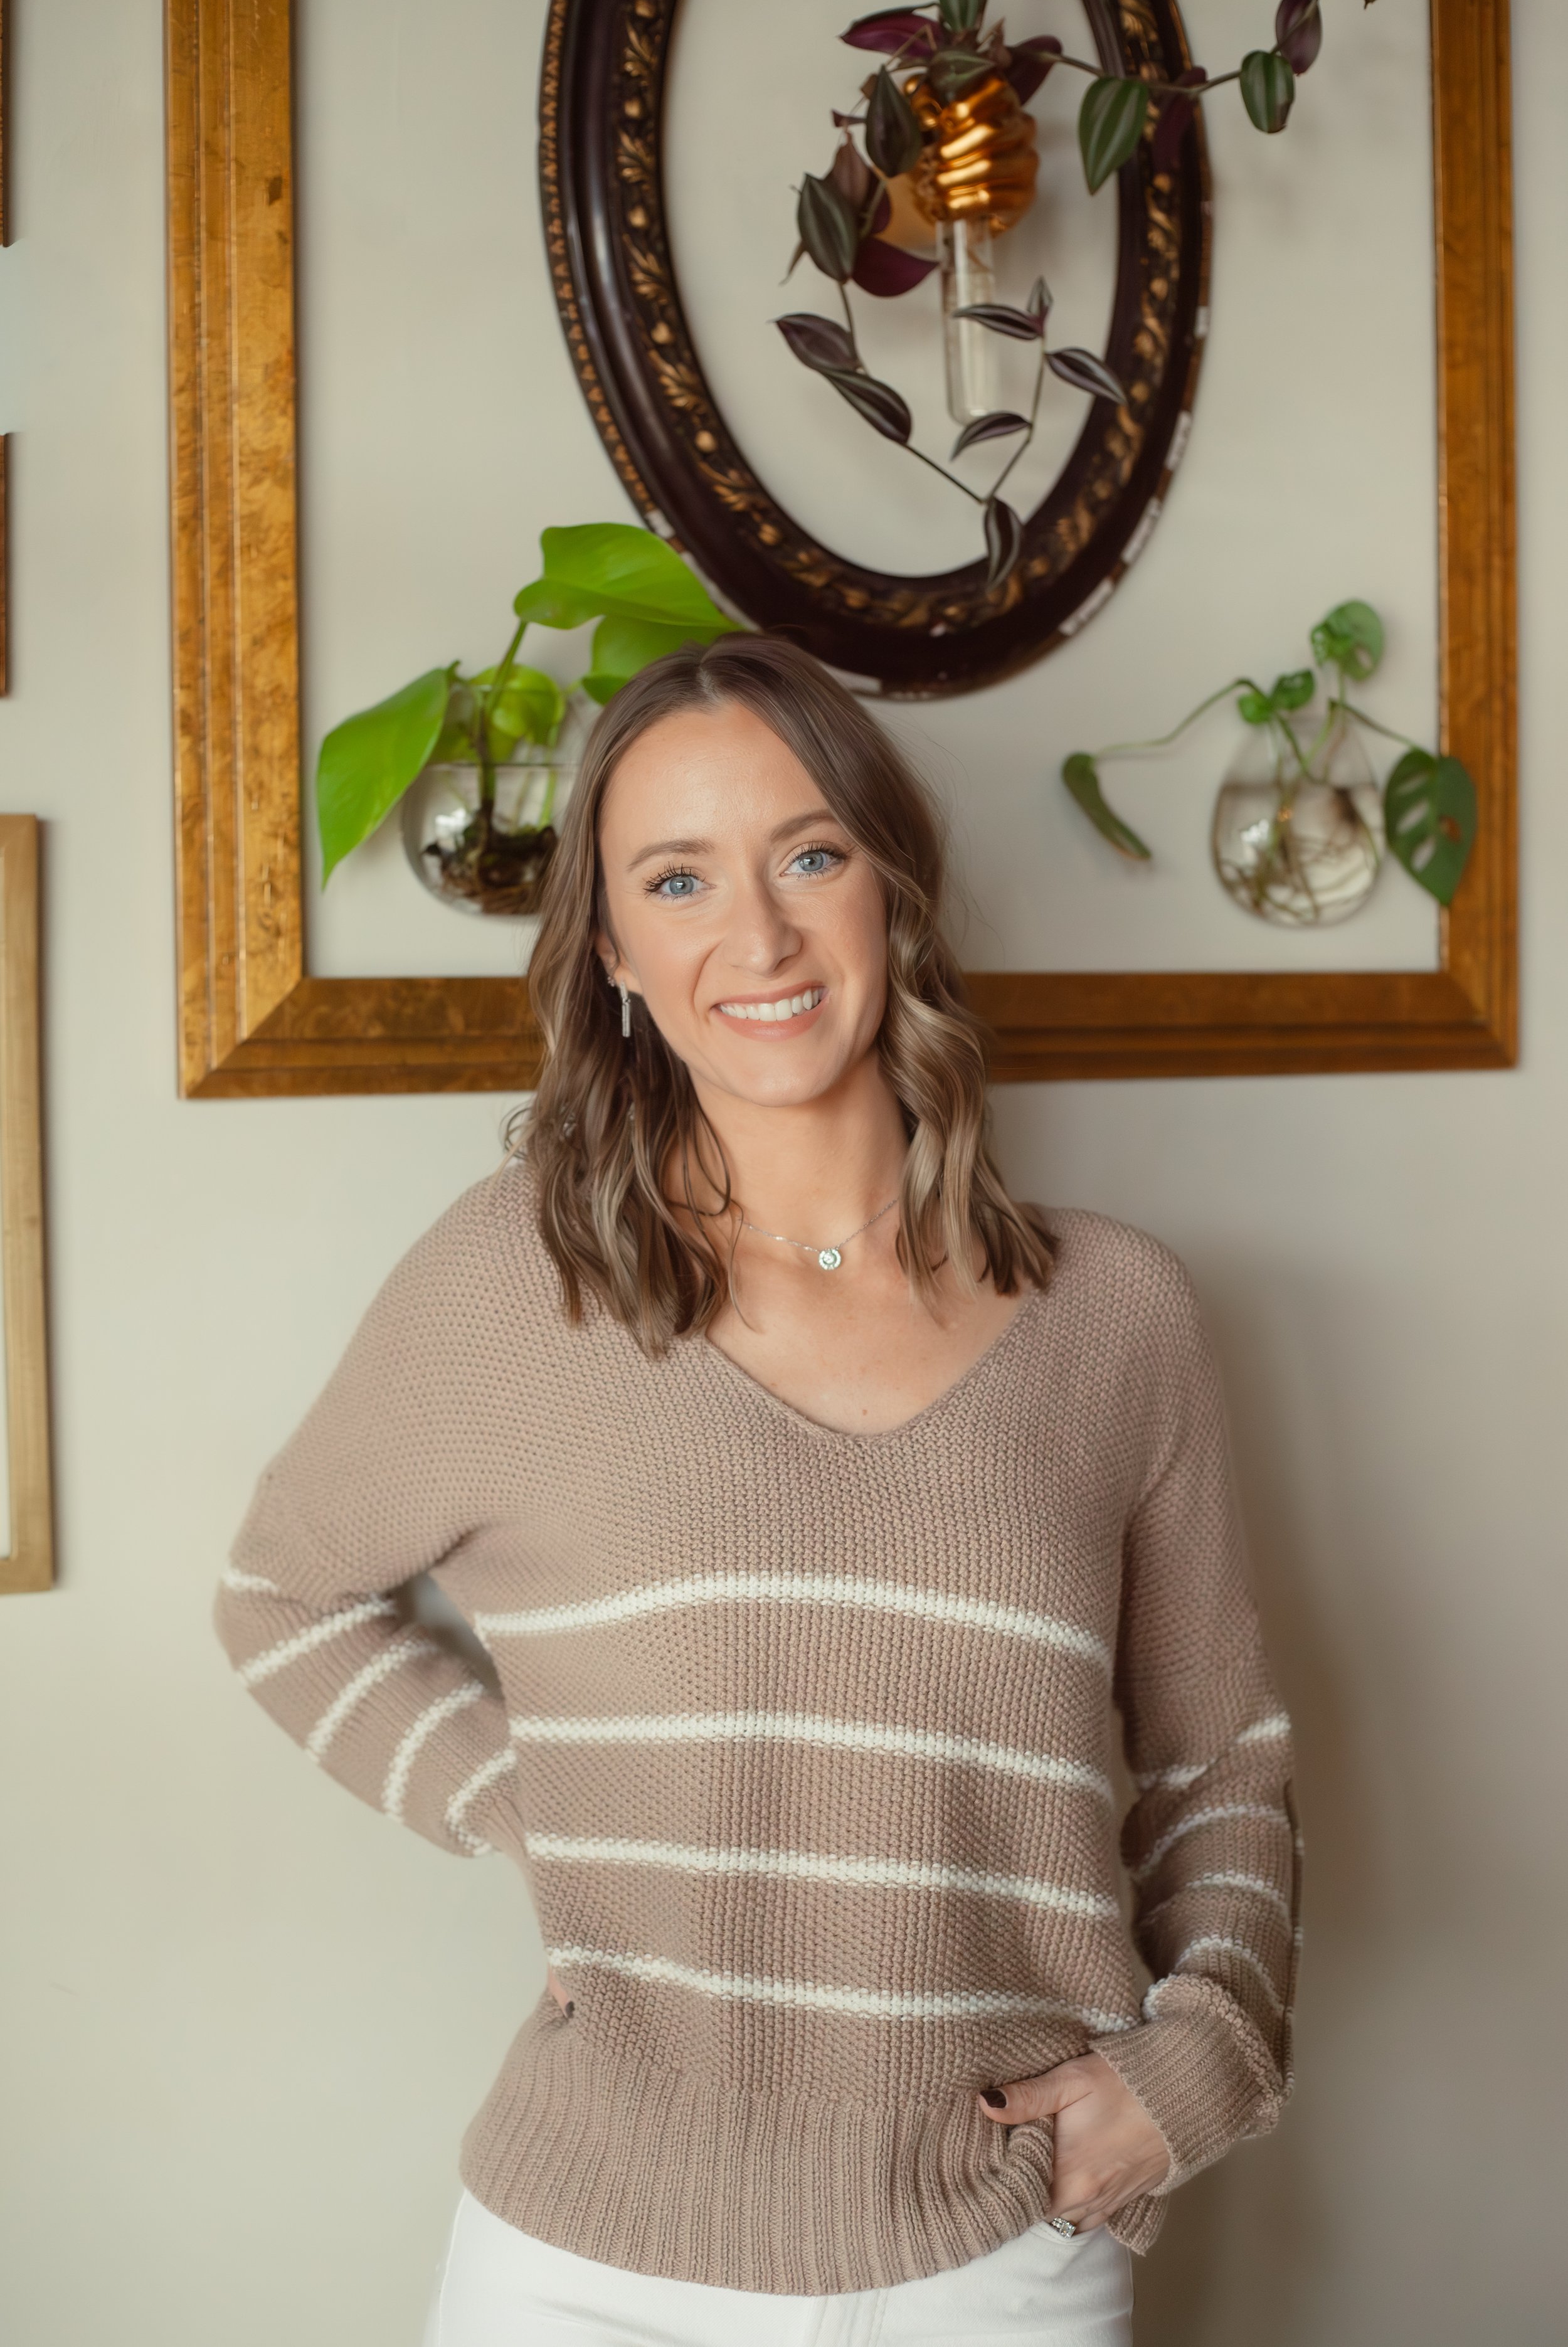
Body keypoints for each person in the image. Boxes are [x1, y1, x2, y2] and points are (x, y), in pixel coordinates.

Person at [216, 635, 1301, 2346]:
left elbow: (1214, 1763)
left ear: (895, 893)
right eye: (678, 878)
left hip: (1006, 2262)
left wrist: (1203, 2061)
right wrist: (532, 1807)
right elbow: (279, 1598)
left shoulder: (1118, 1317)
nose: (762, 936)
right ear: (617, 957)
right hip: (588, 2264)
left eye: (810, 855)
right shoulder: (521, 1279)